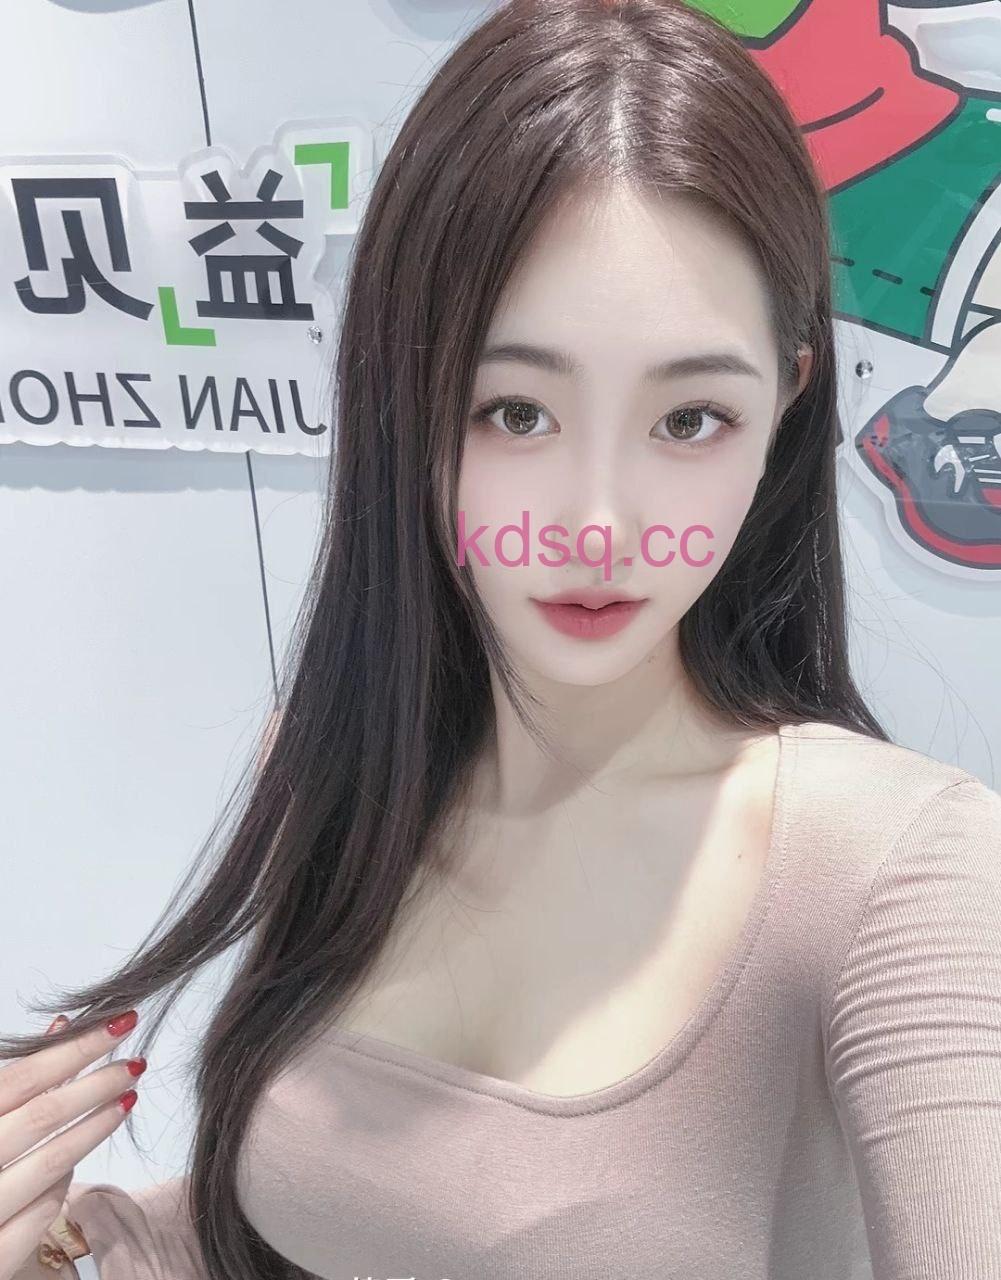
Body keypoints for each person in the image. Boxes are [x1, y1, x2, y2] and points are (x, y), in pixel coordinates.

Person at [2, 1, 1000, 1277]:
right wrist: (65, 1244)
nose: (597, 524)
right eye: (514, 411)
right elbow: (329, 1217)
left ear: (783, 405)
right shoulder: (338, 764)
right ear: (403, 394)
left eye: (688, 419)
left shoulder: (894, 876)